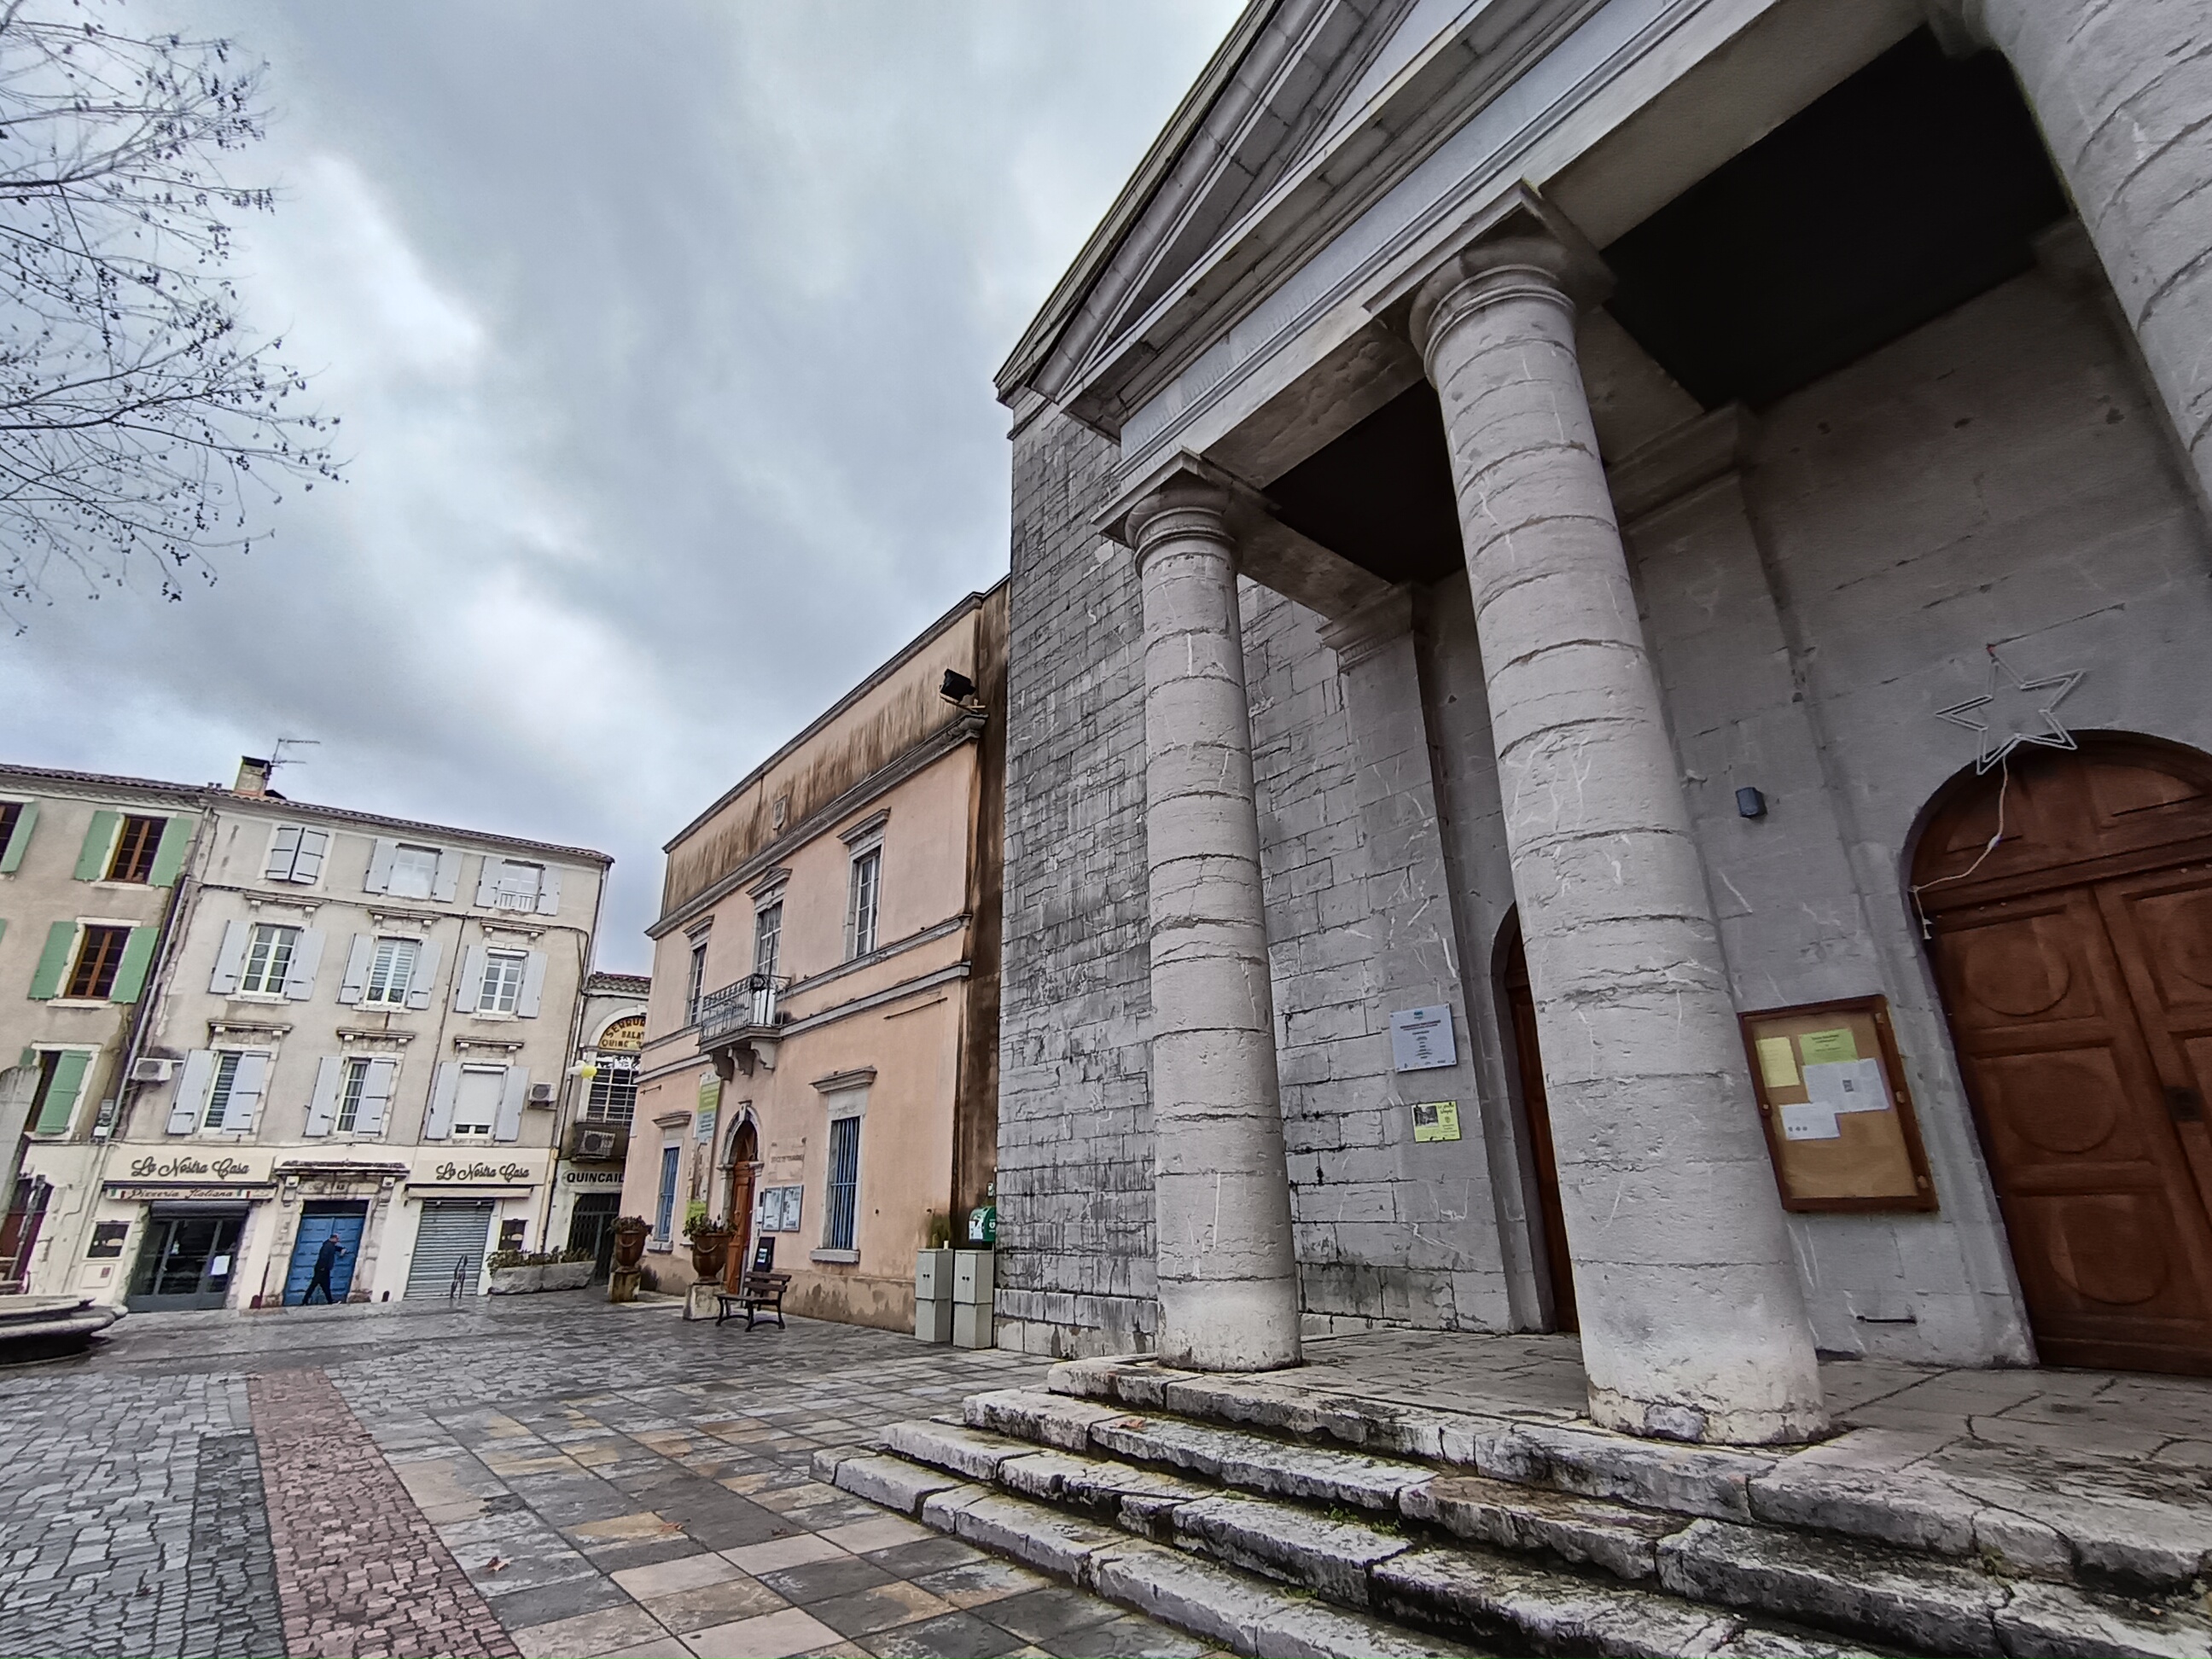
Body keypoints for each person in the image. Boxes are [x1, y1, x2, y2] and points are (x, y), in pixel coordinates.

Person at [303, 1232, 345, 1304]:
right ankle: (305, 1301)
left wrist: (342, 1249)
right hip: (322, 1269)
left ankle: (329, 1300)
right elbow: (323, 1257)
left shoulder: (330, 1245)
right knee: (316, 1285)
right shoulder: (328, 1246)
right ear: (334, 1238)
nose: (338, 1240)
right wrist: (322, 1267)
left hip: (323, 1269)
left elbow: (335, 1248)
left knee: (324, 1286)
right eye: (337, 1239)